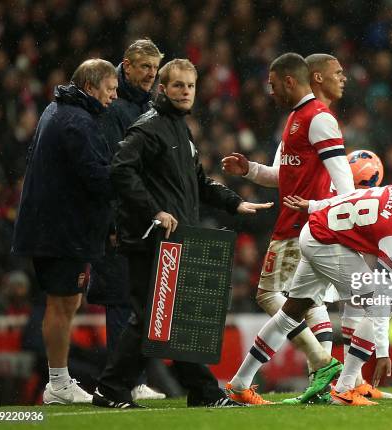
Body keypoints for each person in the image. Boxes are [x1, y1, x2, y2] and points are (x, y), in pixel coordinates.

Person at [93, 58, 273, 409]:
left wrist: (235, 203)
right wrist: (154, 211)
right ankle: (112, 389)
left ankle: (200, 392)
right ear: (163, 88)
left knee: (169, 319)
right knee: (150, 317)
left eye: (190, 86)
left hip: (175, 239)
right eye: (177, 85)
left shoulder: (179, 130)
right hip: (149, 238)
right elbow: (120, 170)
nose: (185, 92)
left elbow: (198, 183)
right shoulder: (148, 127)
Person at [226, 176, 392, 406]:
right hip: (326, 241)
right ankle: (345, 389)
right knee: (376, 307)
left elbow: (355, 195)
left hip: (315, 229)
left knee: (291, 314)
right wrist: (382, 352)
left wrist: (315, 206)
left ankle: (239, 384)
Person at [221, 53, 355, 403]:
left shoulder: (318, 119)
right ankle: (320, 381)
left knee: (270, 295)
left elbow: (345, 183)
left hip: (302, 226)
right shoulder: (297, 119)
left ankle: (320, 362)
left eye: (273, 83)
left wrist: (346, 223)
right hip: (304, 224)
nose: (270, 90)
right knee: (306, 302)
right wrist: (248, 169)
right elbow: (282, 176)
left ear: (291, 81)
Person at [11, 59, 118, 404]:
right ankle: (57, 383)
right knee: (60, 303)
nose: (114, 96)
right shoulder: (77, 120)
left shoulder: (57, 110)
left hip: (52, 226)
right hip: (59, 229)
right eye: (110, 89)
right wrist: (129, 179)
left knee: (66, 301)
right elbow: (95, 177)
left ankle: (59, 381)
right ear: (90, 87)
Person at [85, 39, 165, 401]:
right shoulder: (114, 106)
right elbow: (114, 169)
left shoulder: (145, 103)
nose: (151, 74)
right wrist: (115, 224)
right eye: (144, 67)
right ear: (127, 66)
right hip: (121, 219)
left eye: (154, 67)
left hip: (142, 214)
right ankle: (123, 381)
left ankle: (134, 377)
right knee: (121, 299)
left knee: (140, 298)